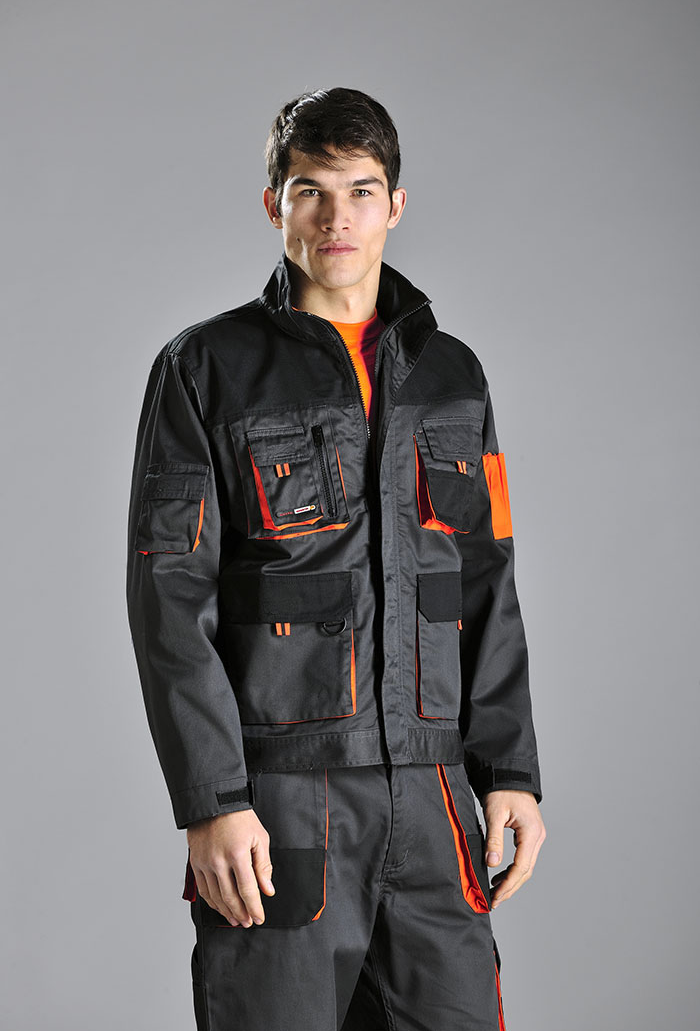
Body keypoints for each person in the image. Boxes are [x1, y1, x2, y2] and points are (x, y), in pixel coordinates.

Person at [126, 86, 546, 1031]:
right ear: (273, 203)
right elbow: (168, 597)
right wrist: (212, 800)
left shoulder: (454, 376)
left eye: (360, 191)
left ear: (395, 204)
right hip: (283, 802)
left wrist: (510, 771)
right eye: (310, 190)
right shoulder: (205, 369)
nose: (337, 217)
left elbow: (486, 580)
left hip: (435, 796)